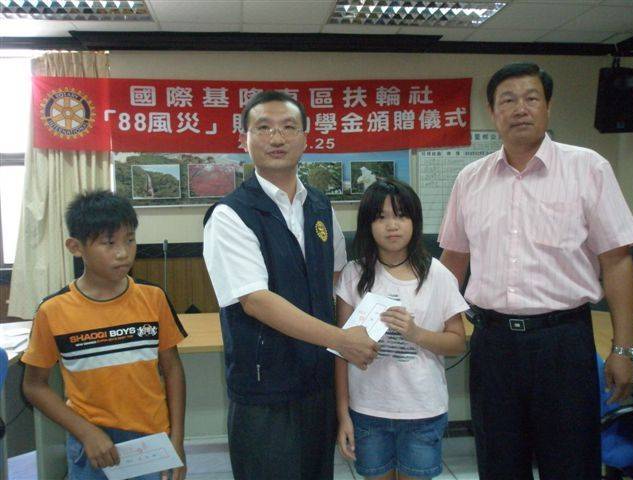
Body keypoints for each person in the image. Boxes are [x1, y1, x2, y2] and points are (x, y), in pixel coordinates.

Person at [439, 62, 633, 479]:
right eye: (507, 100)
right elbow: (453, 261)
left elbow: (617, 261)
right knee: (499, 463)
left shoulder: (589, 168)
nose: (520, 109)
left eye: (531, 98)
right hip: (493, 345)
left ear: (548, 106)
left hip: (563, 343)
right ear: (493, 112)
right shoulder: (470, 179)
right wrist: (435, 326)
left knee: (571, 464)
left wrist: (624, 349)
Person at [203, 90, 379, 480]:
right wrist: (342, 339)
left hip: (316, 384)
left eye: (288, 127)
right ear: (244, 139)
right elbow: (256, 301)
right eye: (263, 128)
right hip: (265, 390)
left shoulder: (319, 205)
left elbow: (336, 280)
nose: (277, 138)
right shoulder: (230, 214)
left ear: (305, 137)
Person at [22, 191, 188, 480]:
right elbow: (34, 385)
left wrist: (177, 440)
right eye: (109, 243)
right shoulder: (53, 311)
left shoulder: (153, 298)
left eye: (130, 240)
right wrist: (86, 432)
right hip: (91, 445)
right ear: (75, 247)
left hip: (151, 442)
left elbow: (172, 368)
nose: (123, 253)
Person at [335, 178, 468, 480]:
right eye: (380, 217)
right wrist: (343, 414)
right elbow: (341, 351)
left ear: (414, 221)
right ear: (367, 224)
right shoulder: (353, 274)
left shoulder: (437, 274)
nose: (392, 225)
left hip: (422, 411)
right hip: (368, 410)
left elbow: (458, 342)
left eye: (401, 215)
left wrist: (416, 334)